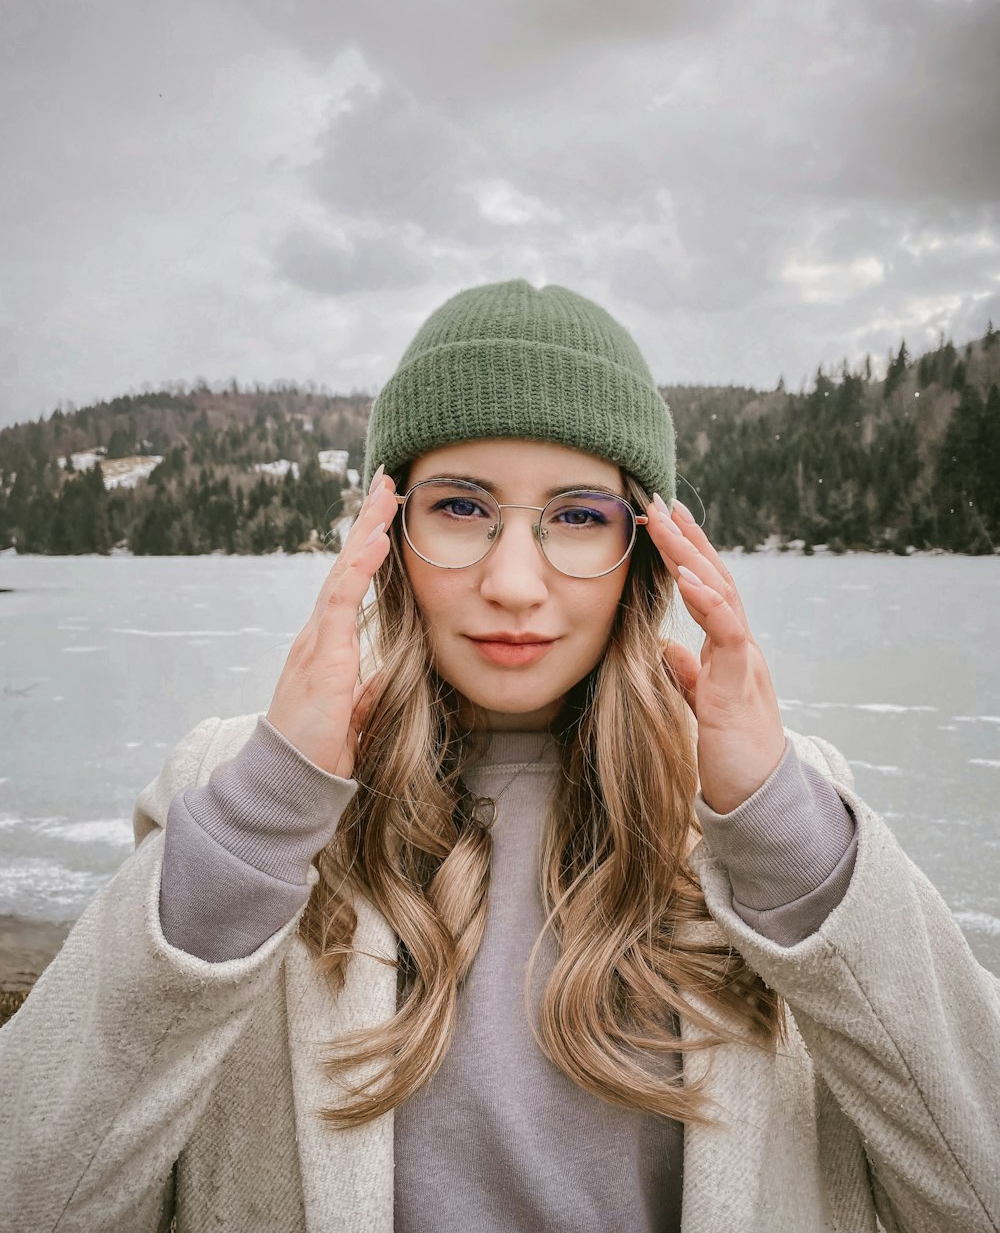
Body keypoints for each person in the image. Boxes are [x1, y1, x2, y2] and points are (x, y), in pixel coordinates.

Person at [1, 279, 998, 1233]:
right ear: (387, 534)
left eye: (575, 515)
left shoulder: (771, 813)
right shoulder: (234, 800)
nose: (514, 582)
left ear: (642, 550)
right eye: (462, 507)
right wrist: (262, 819)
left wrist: (783, 826)